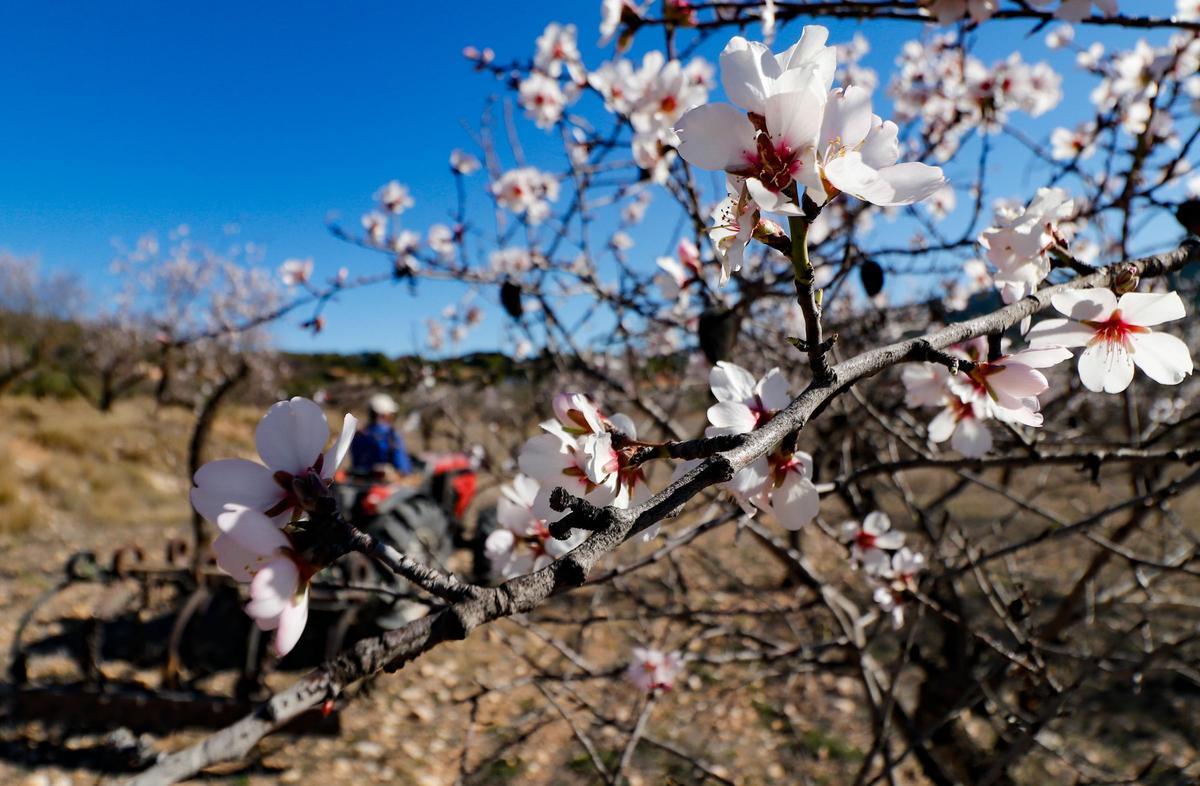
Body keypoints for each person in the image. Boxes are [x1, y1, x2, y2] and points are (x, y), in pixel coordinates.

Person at [349, 393, 414, 477]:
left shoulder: (359, 435)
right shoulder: (391, 435)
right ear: (384, 415)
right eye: (391, 414)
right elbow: (402, 466)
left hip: (359, 478)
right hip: (386, 481)